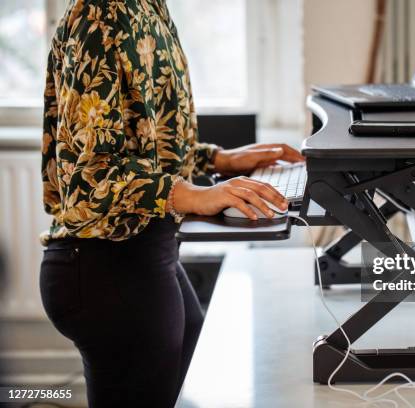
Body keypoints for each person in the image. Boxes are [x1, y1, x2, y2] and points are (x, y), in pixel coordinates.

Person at [39, 1, 304, 407]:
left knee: (190, 345)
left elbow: (146, 143)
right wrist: (195, 195)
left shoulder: (149, 7)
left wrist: (219, 159)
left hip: (143, 250)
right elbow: (88, 177)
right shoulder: (100, 15)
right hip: (104, 262)